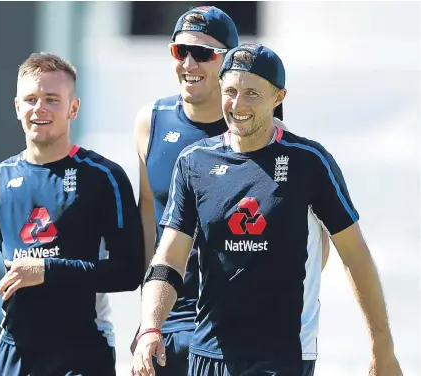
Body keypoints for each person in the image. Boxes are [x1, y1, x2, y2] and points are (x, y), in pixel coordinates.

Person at [131, 44, 403, 376]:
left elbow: (355, 256)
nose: (237, 104)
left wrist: (381, 348)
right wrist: (150, 328)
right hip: (209, 352)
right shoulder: (194, 161)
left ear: (278, 97)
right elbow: (169, 256)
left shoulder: (309, 162)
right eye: (230, 91)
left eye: (252, 94)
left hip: (283, 353)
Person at [132, 6, 328, 376]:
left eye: (203, 53)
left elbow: (312, 242)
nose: (189, 62)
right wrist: (148, 321)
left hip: (225, 327)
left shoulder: (262, 132)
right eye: (180, 51)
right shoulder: (151, 120)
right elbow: (150, 221)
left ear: (228, 63)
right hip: (169, 317)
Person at [0, 52, 144, 376]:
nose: (39, 109)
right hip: (16, 352)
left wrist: (47, 269)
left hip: (83, 350)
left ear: (73, 108)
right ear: (17, 106)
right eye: (30, 99)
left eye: (51, 99)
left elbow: (128, 272)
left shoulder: (103, 177)